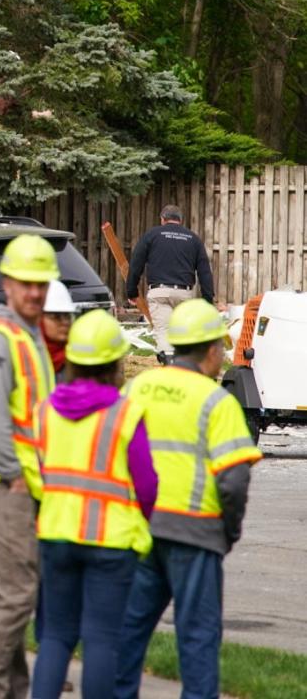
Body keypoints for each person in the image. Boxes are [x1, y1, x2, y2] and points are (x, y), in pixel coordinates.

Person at [114, 299, 263, 699]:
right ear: (211, 350)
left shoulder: (139, 387)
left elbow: (111, 451)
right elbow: (233, 482)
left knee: (128, 632)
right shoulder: (217, 403)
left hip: (140, 531)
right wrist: (227, 532)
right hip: (196, 535)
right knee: (197, 638)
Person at [31, 309, 158, 699]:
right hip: (111, 541)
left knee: (55, 637)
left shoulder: (47, 409)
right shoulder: (125, 412)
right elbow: (147, 484)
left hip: (55, 536)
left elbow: (40, 469)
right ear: (115, 362)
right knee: (103, 640)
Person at [0, 233, 58, 699]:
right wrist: (15, 476)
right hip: (3, 487)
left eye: (41, 284)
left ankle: (15, 692)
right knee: (17, 598)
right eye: (26, 284)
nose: (35, 292)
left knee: (17, 597)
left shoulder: (25, 337)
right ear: (7, 284)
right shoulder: (1, 339)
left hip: (15, 486)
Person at [125, 205, 215, 362]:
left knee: (164, 332)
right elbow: (204, 271)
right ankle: (185, 365)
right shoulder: (193, 239)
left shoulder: (151, 235)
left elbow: (136, 264)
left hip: (159, 293)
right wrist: (208, 299)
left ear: (162, 219)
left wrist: (132, 291)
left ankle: (169, 366)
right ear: (181, 220)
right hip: (184, 294)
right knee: (182, 334)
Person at [41, 280, 77, 382]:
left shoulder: (79, 360)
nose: (65, 322)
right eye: (56, 316)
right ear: (39, 318)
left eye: (67, 316)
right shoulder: (27, 355)